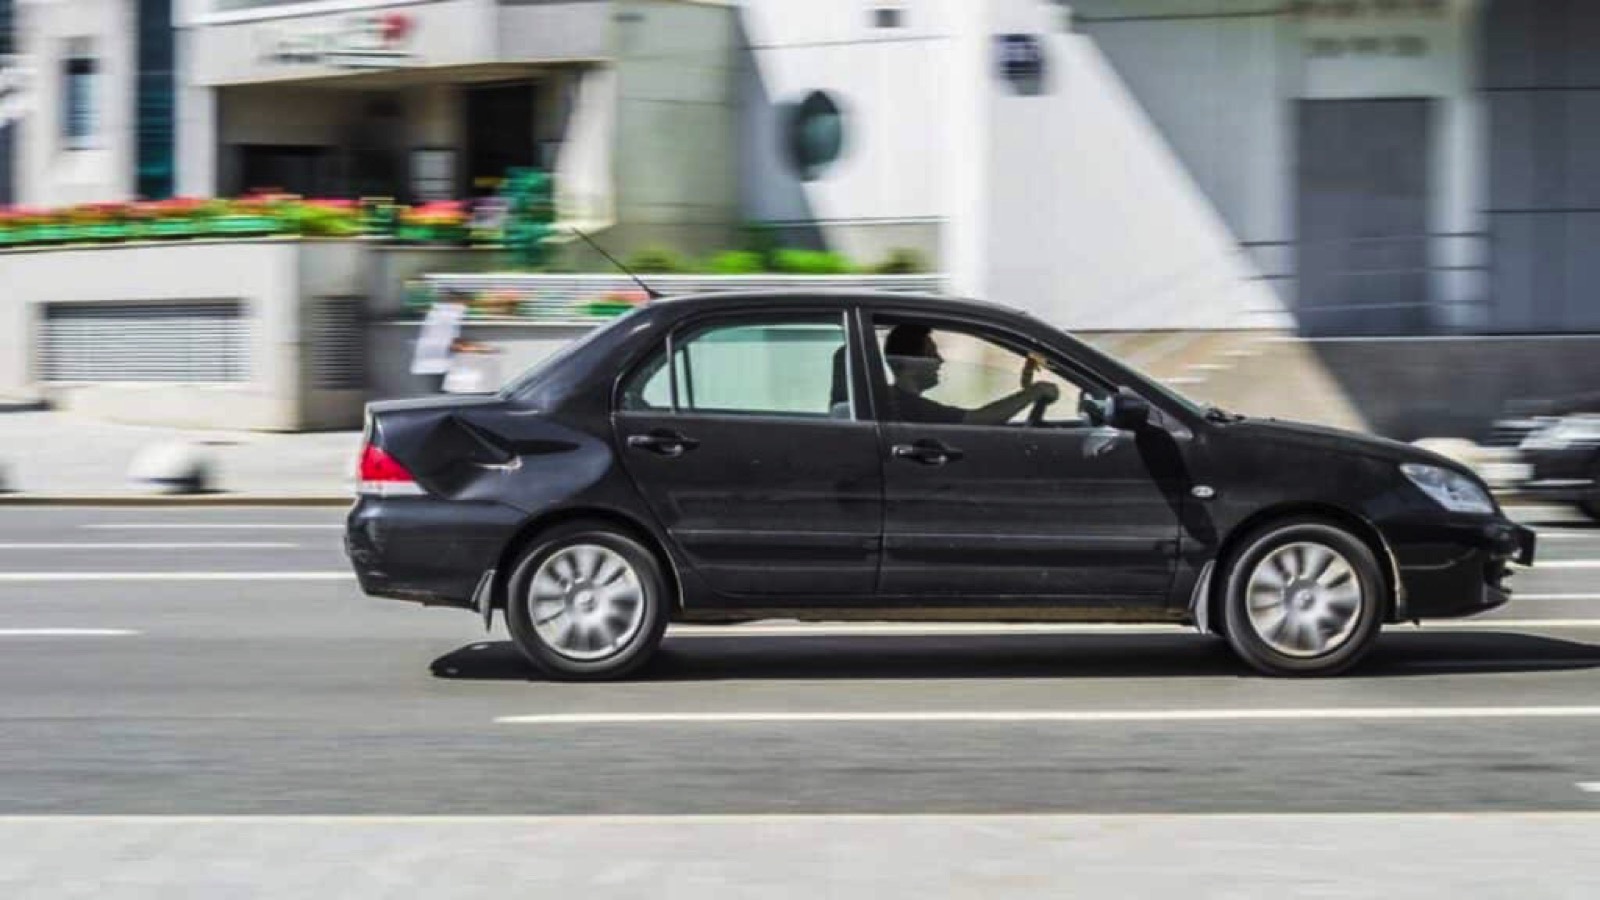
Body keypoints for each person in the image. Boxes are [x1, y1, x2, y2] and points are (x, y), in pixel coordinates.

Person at [883, 324, 1059, 425]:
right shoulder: (907, 406)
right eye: (931, 354)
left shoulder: (898, 401)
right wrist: (1036, 391)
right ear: (908, 363)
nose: (940, 361)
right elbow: (981, 420)